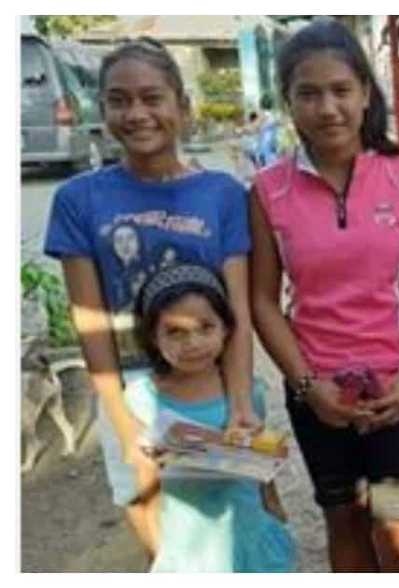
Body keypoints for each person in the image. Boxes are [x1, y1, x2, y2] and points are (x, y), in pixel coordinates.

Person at [249, 17, 399, 572]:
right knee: (344, 521)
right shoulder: (269, 190)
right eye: (308, 93)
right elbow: (264, 300)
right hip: (318, 392)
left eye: (341, 90)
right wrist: (308, 386)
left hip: (397, 390)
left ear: (366, 93)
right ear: (288, 102)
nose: (327, 108)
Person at [43, 37, 256, 558]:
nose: (136, 113)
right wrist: (122, 423)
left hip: (210, 377)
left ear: (182, 107)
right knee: (145, 497)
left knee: (227, 507)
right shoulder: (77, 200)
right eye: (119, 99)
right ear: (102, 108)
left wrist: (242, 403)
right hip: (135, 383)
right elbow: (90, 324)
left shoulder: (224, 194)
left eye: (152, 97)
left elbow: (240, 309)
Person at [127, 264, 295, 572]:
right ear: (152, 336)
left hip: (246, 530)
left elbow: (261, 465)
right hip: (188, 543)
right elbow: (144, 481)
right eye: (175, 332)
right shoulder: (142, 398)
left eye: (205, 327)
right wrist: (155, 549)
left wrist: (274, 508)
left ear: (226, 329)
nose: (192, 343)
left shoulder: (246, 393)